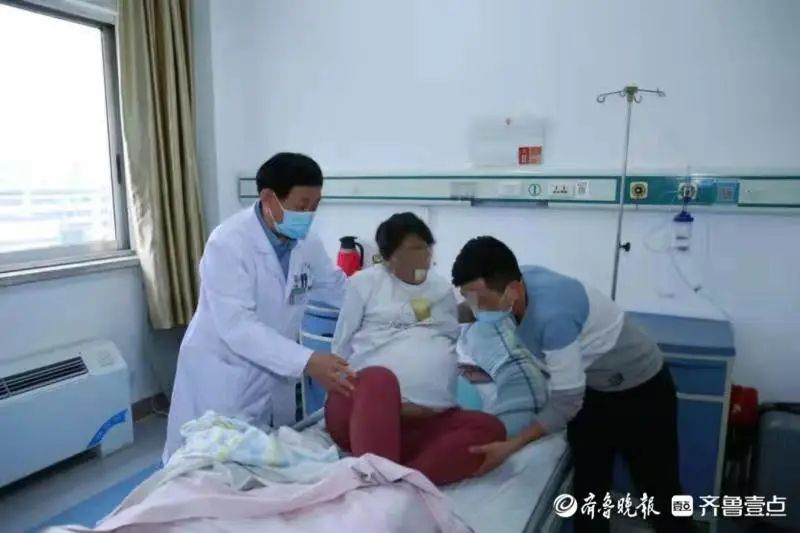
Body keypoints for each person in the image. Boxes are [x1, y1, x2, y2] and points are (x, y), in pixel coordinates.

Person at [451, 236, 691, 533]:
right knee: (589, 493)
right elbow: (474, 306)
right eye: (470, 299)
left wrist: (511, 445)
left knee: (661, 492)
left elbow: (566, 402)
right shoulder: (514, 283)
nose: (476, 308)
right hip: (592, 387)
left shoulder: (554, 318)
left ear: (512, 290)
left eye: (480, 301)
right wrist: (433, 315)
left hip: (641, 390)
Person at [164, 153, 354, 462]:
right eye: (302, 205)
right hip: (225, 373)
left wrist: (384, 303)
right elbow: (238, 326)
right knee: (207, 466)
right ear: (268, 198)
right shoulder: (228, 243)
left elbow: (337, 288)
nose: (309, 214)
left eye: (315, 205)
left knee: (263, 463)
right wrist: (307, 361)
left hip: (271, 378)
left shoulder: (307, 243)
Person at [326, 213, 506, 486]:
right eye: (414, 249)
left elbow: (446, 337)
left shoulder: (440, 288)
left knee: (491, 428)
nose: (424, 257)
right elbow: (340, 347)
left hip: (426, 421)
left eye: (427, 248)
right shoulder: (364, 283)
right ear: (389, 257)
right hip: (364, 411)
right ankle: (380, 471)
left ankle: (405, 479)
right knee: (379, 378)